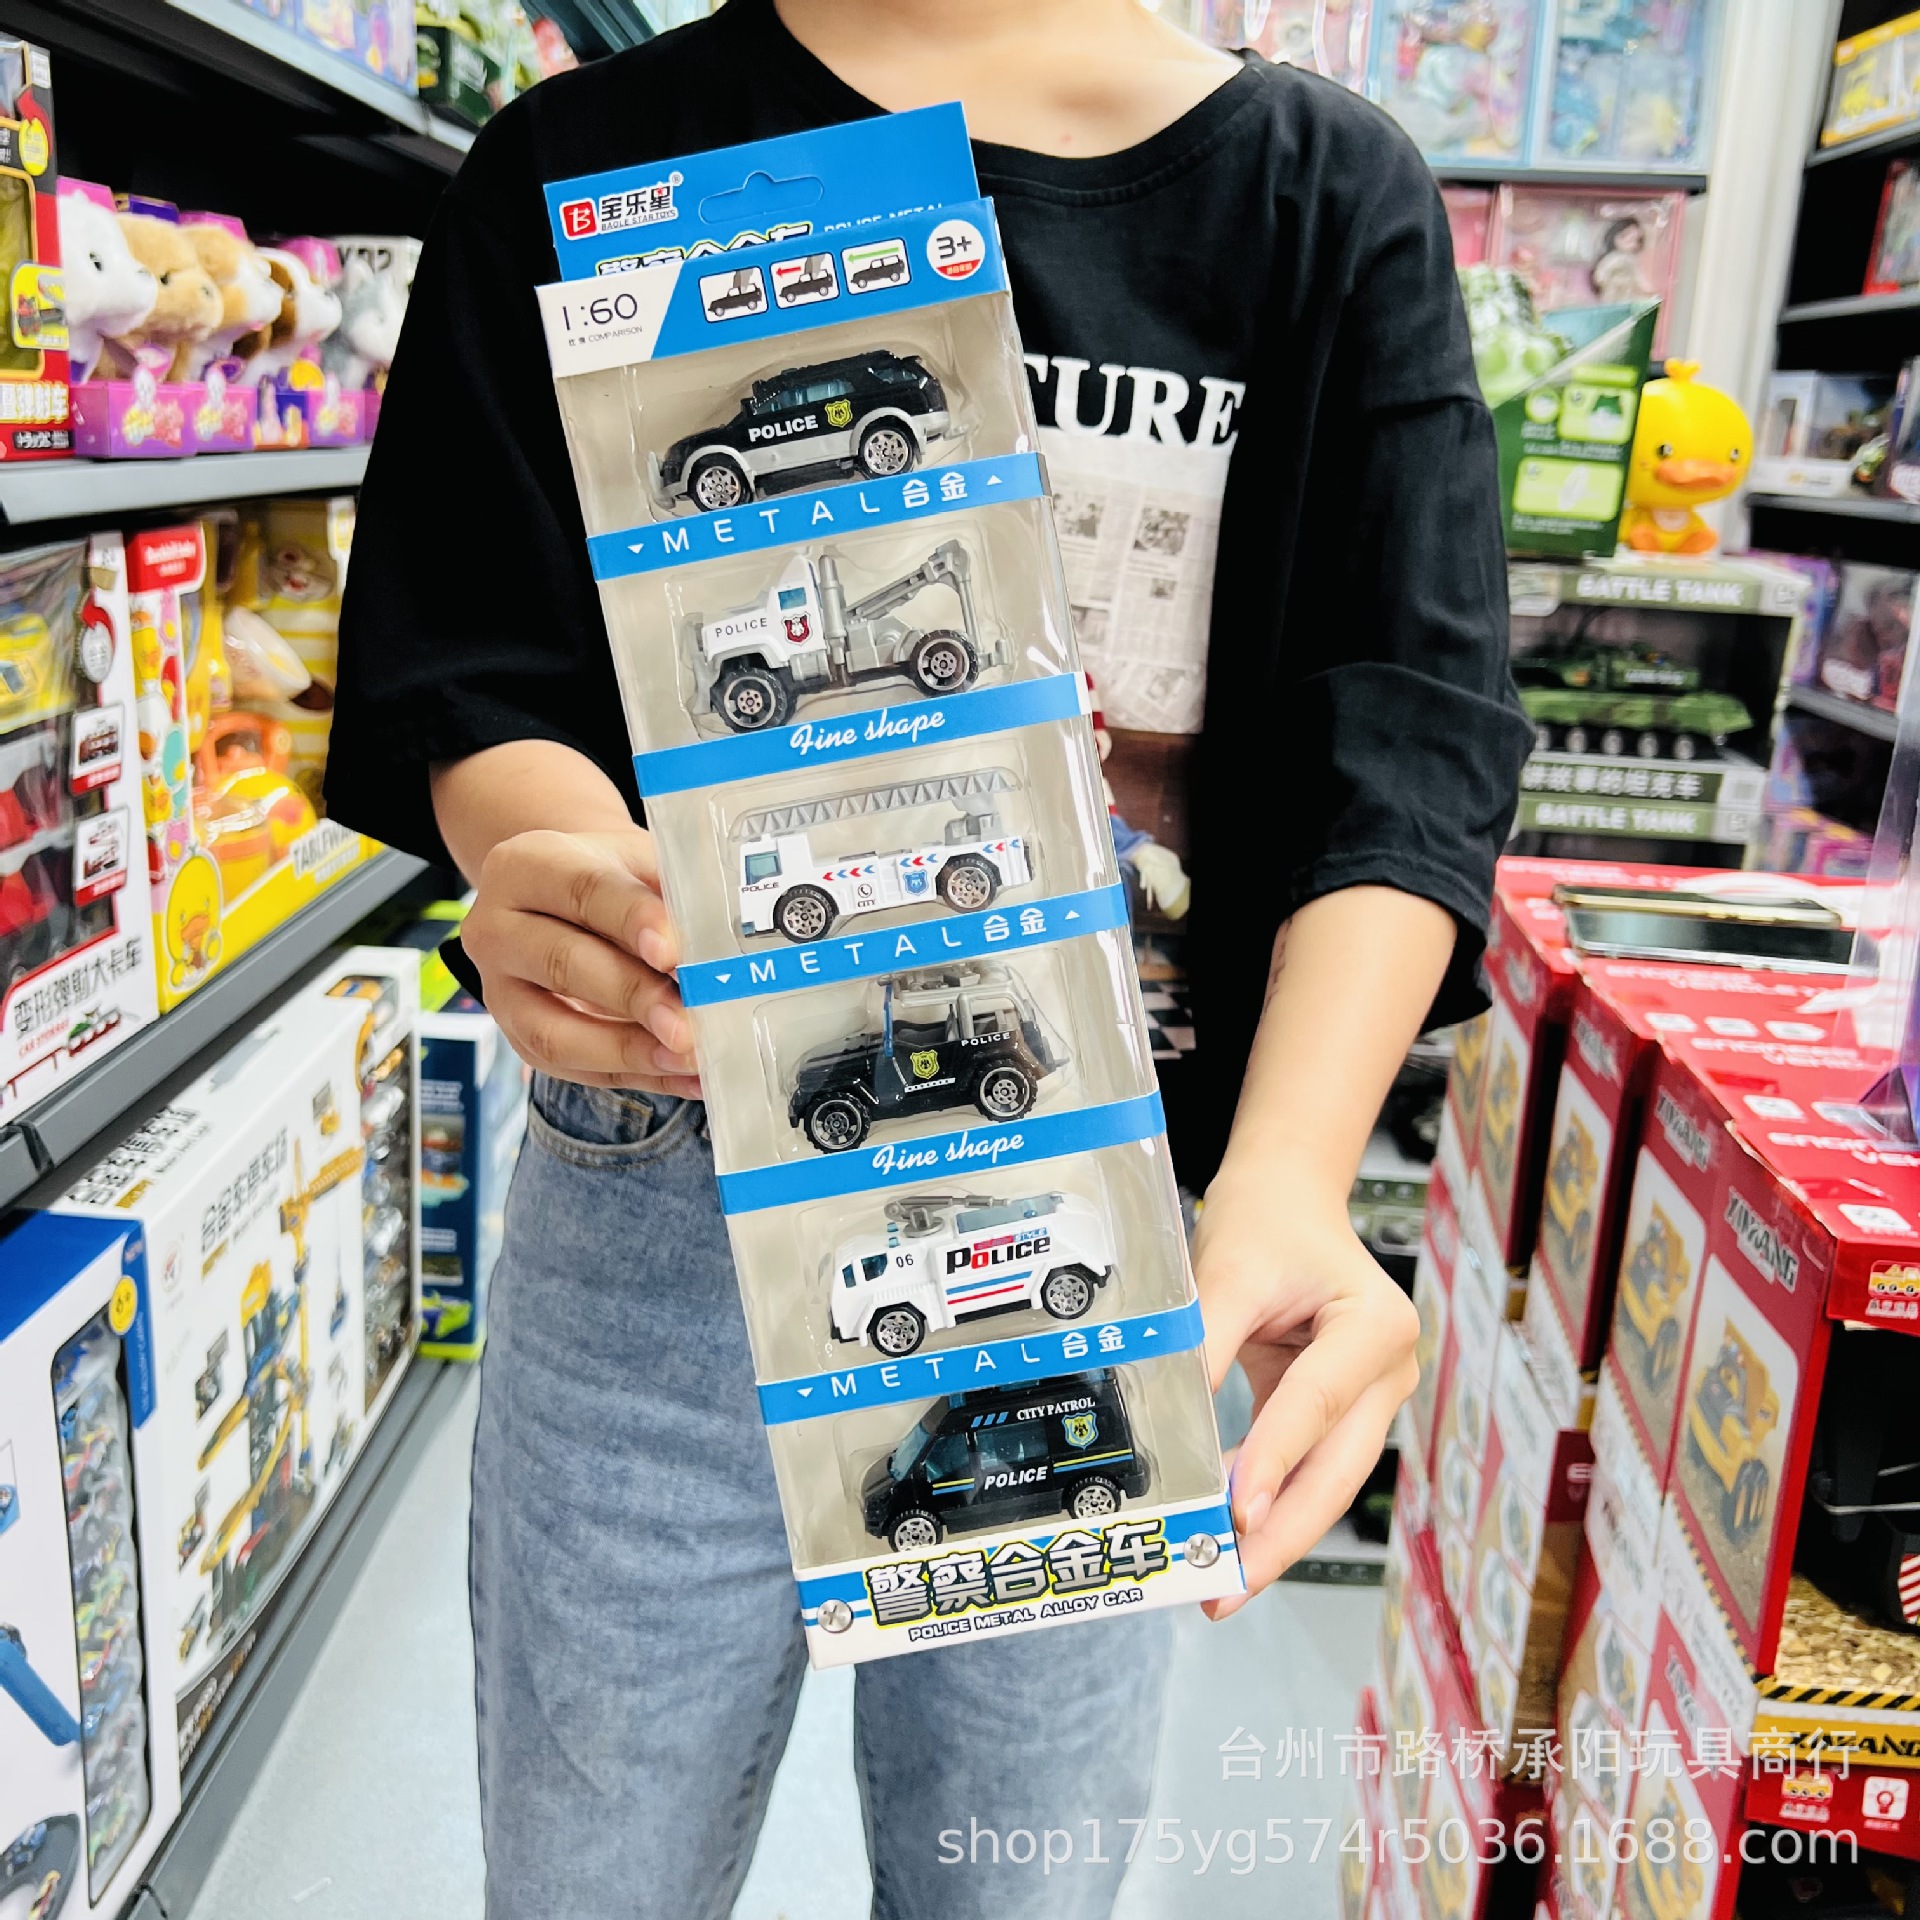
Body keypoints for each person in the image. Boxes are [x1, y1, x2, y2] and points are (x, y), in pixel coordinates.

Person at [327, 1, 1532, 1913]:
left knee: (1014, 1877)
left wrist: (1297, 1168)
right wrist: (557, 865)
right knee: (590, 1871)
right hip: (668, 1186)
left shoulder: (1320, 198)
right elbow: (480, 666)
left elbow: (1404, 733)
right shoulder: (577, 160)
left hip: (1093, 1222)